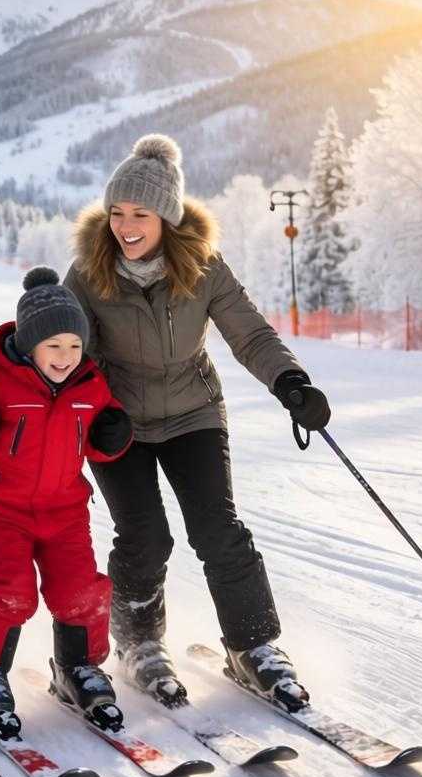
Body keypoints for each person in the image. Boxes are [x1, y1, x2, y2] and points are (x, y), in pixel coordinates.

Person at [64, 134, 331, 712]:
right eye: (117, 213)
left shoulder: (203, 267)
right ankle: (138, 644)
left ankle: (253, 646)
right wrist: (95, 413)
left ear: (167, 217)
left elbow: (251, 334)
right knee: (144, 536)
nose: (126, 226)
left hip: (193, 412)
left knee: (219, 530)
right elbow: (67, 352)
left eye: (140, 213)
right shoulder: (87, 272)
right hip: (120, 420)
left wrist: (291, 382)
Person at [0, 268, 134, 736]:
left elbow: (102, 436)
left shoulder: (90, 386)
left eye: (74, 347)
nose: (65, 358)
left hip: (64, 511)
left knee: (80, 588)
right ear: (28, 344)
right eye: (53, 347)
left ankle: (77, 669)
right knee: (10, 589)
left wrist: (114, 434)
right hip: (0, 508)